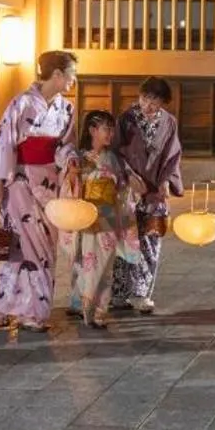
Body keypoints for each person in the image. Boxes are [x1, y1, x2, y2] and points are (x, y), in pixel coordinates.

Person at [0, 51, 77, 331]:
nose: (73, 80)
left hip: (49, 184)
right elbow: (3, 143)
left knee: (45, 246)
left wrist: (70, 161)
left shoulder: (66, 109)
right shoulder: (20, 104)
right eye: (71, 74)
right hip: (20, 181)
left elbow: (66, 145)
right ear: (56, 74)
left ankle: (7, 307)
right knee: (22, 247)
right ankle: (30, 312)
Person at [63, 109, 144, 330]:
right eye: (106, 128)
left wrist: (130, 183)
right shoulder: (78, 158)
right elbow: (69, 186)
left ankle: (99, 310)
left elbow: (126, 185)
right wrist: (72, 176)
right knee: (88, 262)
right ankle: (86, 306)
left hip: (107, 215)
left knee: (105, 266)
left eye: (111, 128)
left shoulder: (115, 158)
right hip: (87, 215)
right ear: (92, 130)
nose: (110, 133)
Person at [111, 77, 183, 314]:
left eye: (155, 100)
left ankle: (141, 293)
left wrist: (166, 181)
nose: (148, 104)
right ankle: (120, 293)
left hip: (154, 192)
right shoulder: (126, 119)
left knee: (150, 241)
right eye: (145, 98)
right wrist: (128, 175)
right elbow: (115, 152)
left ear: (164, 102)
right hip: (129, 189)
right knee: (125, 241)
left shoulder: (169, 123)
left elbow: (173, 155)